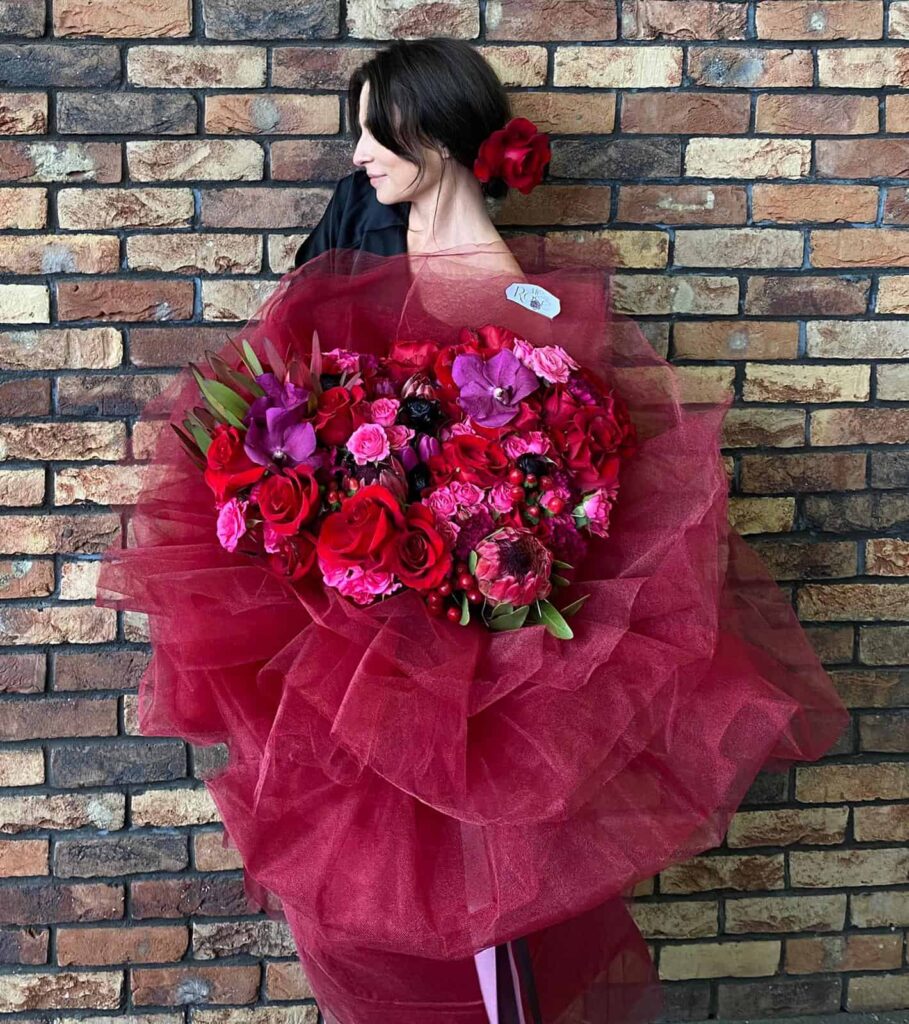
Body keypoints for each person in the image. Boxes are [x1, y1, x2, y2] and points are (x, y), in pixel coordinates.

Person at [95, 36, 850, 1024]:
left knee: (488, 887)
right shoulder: (356, 242)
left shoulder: (522, 295)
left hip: (475, 644)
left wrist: (481, 551)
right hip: (347, 637)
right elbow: (279, 401)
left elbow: (570, 452)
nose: (358, 153)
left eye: (377, 132)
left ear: (439, 137)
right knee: (365, 899)